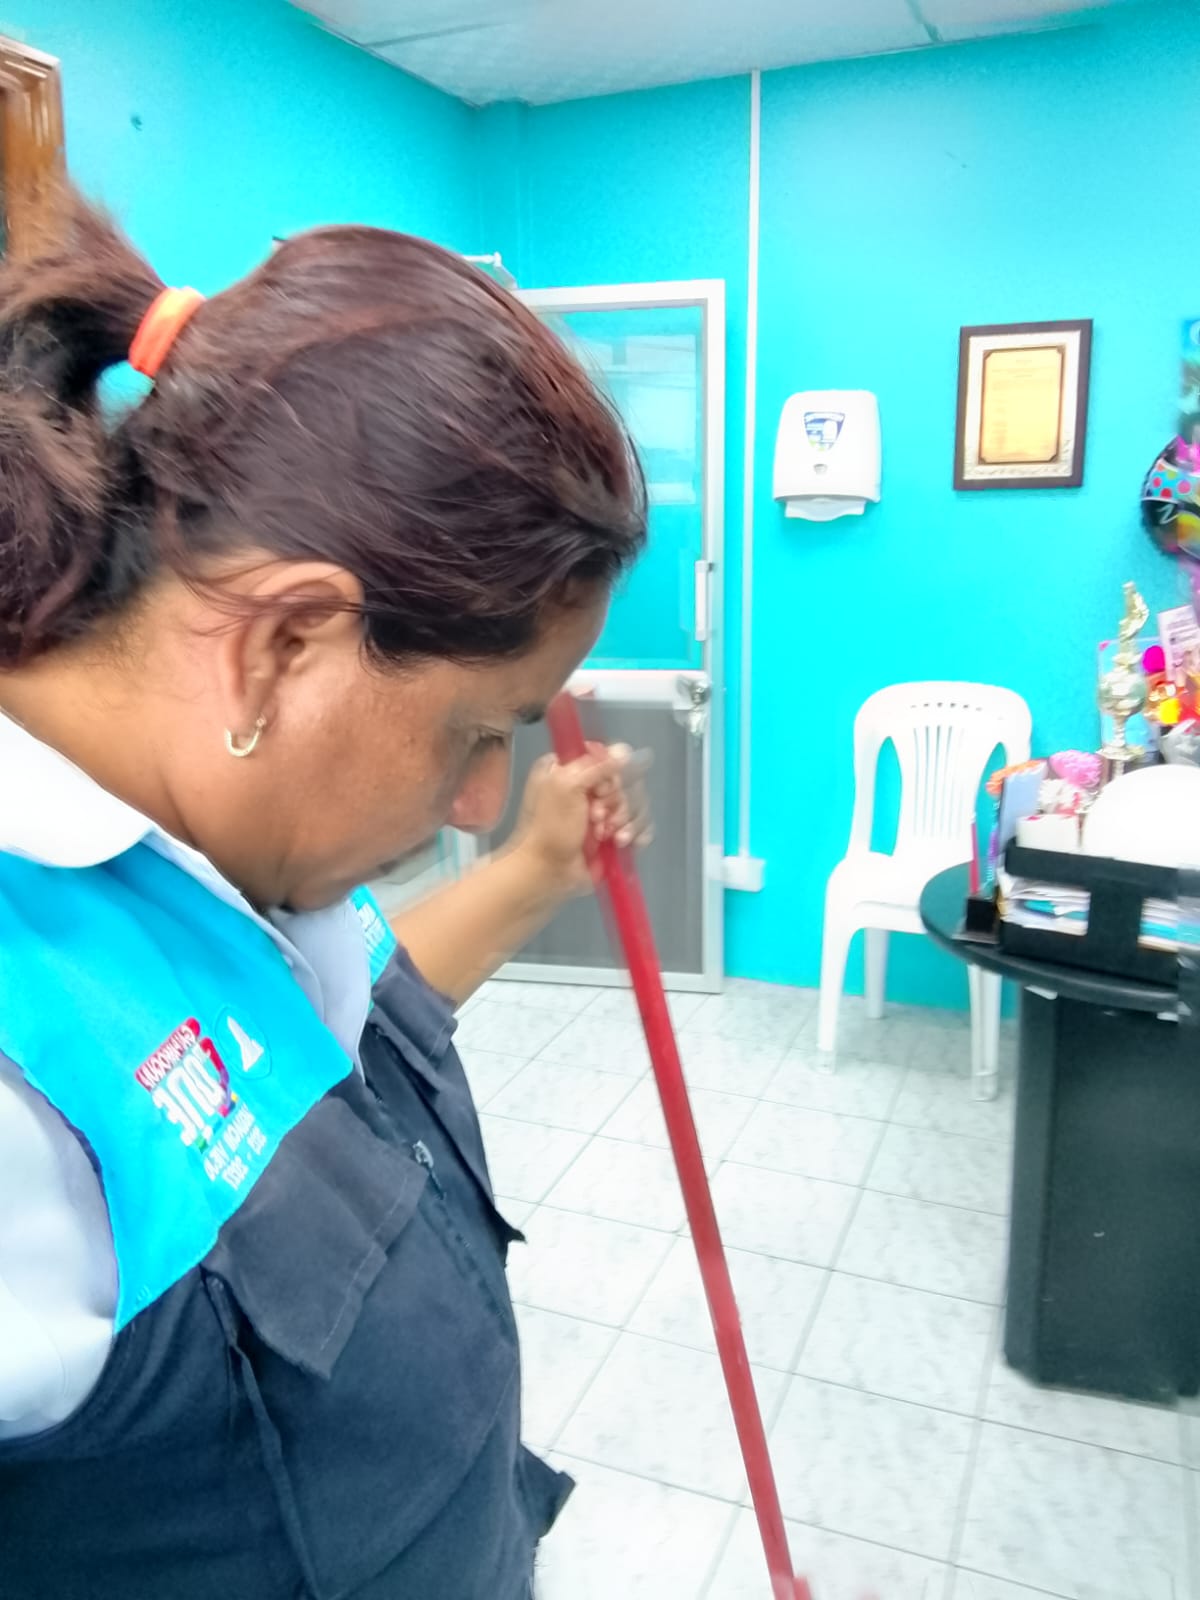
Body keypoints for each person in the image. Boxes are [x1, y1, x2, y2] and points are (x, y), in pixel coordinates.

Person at [0, 192, 649, 1599]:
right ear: (286, 643)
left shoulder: (221, 829)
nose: (480, 798)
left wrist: (534, 872)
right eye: (478, 731)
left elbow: (327, 1018)